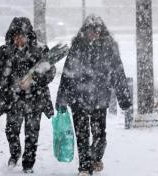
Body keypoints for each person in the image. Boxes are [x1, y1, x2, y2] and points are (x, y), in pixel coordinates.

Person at [56, 15, 132, 176]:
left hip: (99, 99)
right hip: (78, 98)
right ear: (85, 31)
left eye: (96, 31)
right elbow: (67, 75)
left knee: (100, 136)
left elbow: (118, 74)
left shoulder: (109, 49)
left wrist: (124, 99)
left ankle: (95, 158)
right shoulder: (77, 47)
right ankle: (84, 167)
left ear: (101, 32)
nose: (93, 34)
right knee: (82, 135)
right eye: (90, 31)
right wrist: (62, 99)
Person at [0, 17, 56, 173]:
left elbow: (50, 72)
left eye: (21, 35)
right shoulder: (4, 51)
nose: (18, 39)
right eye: (15, 36)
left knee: (32, 134)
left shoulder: (41, 50)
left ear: (28, 35)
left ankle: (28, 164)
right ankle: (15, 152)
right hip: (12, 99)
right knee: (11, 131)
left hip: (35, 99)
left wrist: (34, 80)